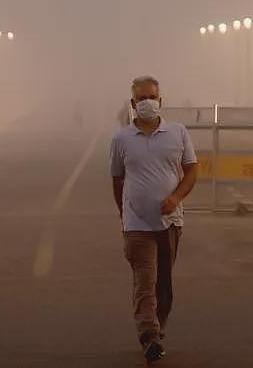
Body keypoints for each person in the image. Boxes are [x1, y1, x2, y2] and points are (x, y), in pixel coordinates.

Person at [109, 76, 198, 363]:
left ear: (161, 101)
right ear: (133, 104)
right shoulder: (121, 139)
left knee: (164, 284)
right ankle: (148, 335)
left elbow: (192, 171)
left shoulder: (178, 133)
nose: (147, 102)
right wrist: (126, 214)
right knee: (145, 281)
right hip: (137, 225)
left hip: (170, 223)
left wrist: (175, 198)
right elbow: (117, 179)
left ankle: (158, 328)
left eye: (152, 97)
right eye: (141, 98)